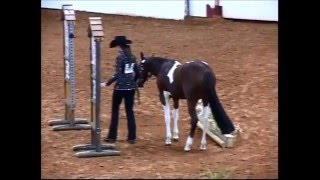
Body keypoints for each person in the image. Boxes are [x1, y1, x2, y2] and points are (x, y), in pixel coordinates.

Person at [101, 36, 140, 144]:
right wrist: (134, 82)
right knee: (129, 112)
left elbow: (118, 74)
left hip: (120, 88)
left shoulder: (120, 58)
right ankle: (132, 137)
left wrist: (107, 83)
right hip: (131, 88)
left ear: (119, 46)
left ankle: (112, 136)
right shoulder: (133, 57)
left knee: (115, 111)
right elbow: (138, 72)